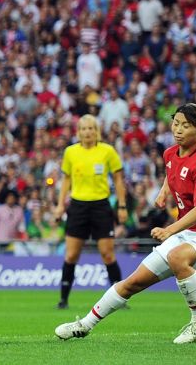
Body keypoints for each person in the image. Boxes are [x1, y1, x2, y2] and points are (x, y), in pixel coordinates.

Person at [55, 103, 196, 344]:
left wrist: (169, 230)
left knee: (176, 257)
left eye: (186, 126)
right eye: (176, 123)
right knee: (131, 283)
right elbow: (173, 173)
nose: (178, 129)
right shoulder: (170, 153)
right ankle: (84, 325)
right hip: (188, 233)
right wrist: (163, 191)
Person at [53, 114, 127, 309]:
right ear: (78, 132)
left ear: (97, 131)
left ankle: (119, 299)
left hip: (101, 206)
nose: (88, 132)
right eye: (84, 129)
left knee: (108, 255)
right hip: (78, 207)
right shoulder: (70, 152)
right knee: (71, 256)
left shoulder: (107, 151)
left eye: (91, 128)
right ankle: (63, 300)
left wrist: (122, 205)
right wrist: (60, 205)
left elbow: (118, 179)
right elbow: (66, 181)